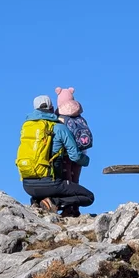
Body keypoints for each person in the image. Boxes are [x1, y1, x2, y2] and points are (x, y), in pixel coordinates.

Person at [17, 95, 94, 215]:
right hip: (51, 183)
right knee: (88, 197)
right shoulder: (59, 128)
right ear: (52, 108)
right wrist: (87, 161)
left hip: (27, 186)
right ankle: (54, 201)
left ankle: (37, 200)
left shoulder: (27, 127)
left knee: (46, 188)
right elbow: (75, 156)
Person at [54, 87, 94, 217]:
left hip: (67, 155)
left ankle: (68, 209)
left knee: (67, 181)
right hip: (82, 154)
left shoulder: (60, 118)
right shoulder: (80, 117)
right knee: (76, 181)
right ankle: (76, 208)